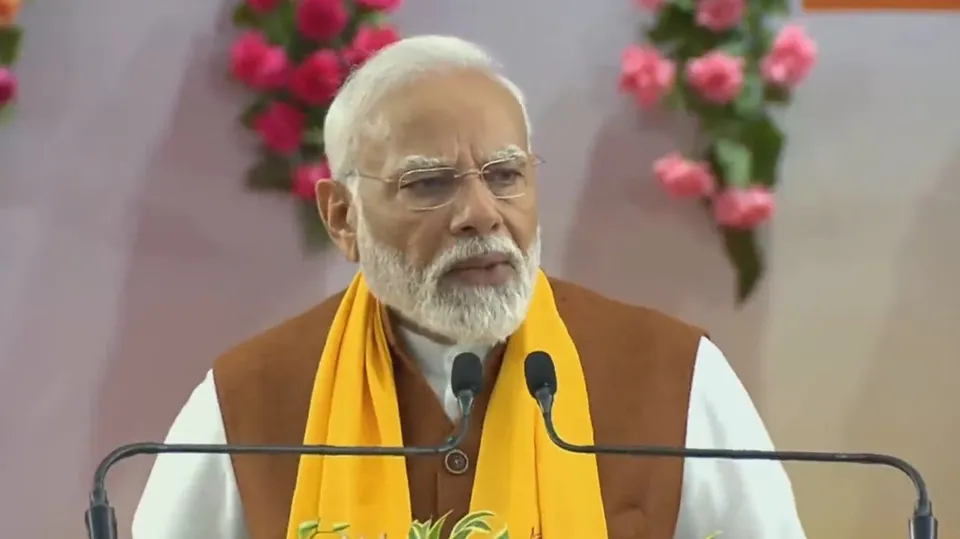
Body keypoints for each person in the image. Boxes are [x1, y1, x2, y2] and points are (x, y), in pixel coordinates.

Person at [132, 35, 806, 539]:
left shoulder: (672, 373)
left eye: (505, 175)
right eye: (429, 183)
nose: (482, 214)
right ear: (342, 216)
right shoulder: (251, 400)